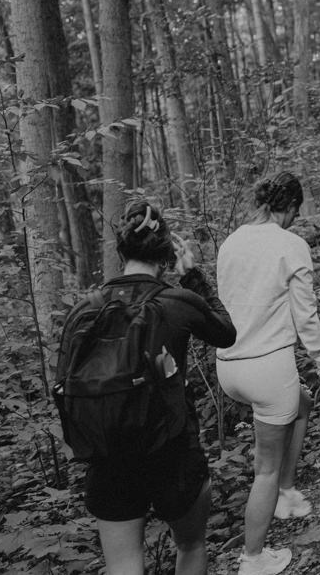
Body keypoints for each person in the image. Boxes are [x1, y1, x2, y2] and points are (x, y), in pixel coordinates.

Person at [80, 201, 237, 575]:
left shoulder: (88, 309)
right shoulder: (177, 302)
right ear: (167, 253)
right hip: (172, 452)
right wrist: (193, 275)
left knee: (123, 566)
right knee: (192, 544)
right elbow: (226, 333)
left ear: (120, 253)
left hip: (109, 456)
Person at [216, 172, 320, 575]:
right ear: (288, 208)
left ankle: (286, 493)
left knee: (301, 404)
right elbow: (306, 318)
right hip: (268, 367)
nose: (294, 220)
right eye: (295, 213)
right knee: (263, 468)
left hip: (229, 366)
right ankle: (253, 558)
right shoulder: (291, 244)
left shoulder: (231, 242)